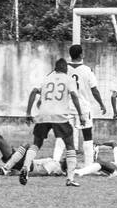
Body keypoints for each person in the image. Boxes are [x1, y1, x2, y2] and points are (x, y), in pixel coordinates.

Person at [20, 58, 83, 187]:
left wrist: (28, 113)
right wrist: (80, 114)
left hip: (43, 115)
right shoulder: (68, 79)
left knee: (36, 143)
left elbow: (33, 92)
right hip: (60, 116)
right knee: (70, 145)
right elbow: (75, 96)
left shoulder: (46, 79)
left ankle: (25, 167)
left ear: (55, 68)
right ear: (65, 69)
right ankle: (70, 178)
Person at [0, 113, 64, 175]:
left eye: (67, 160)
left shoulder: (56, 166)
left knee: (4, 140)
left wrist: (23, 170)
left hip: (23, 164)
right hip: (22, 162)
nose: (65, 158)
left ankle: (7, 167)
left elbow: (41, 172)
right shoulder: (56, 165)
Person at [67, 43, 108, 168]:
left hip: (67, 107)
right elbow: (94, 90)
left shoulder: (64, 69)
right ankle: (88, 164)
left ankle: (66, 164)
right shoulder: (87, 70)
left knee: (66, 136)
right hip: (83, 107)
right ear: (81, 54)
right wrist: (101, 104)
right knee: (87, 135)